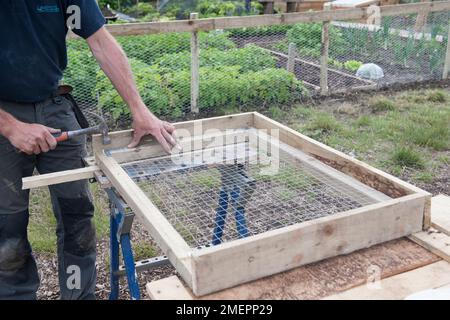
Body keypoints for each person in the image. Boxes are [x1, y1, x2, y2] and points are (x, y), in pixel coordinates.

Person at [0, 0, 177, 300]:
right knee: (8, 228)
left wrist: (139, 110)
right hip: (4, 113)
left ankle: (78, 295)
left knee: (77, 216)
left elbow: (101, 43)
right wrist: (11, 127)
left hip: (54, 104)